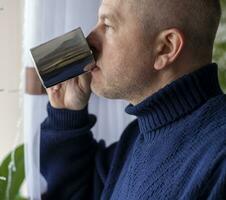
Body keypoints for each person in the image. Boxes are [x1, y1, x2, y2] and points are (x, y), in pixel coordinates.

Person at [40, 0, 226, 199]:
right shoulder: (136, 137)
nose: (89, 40)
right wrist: (67, 114)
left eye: (108, 25)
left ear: (166, 47)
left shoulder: (219, 156)